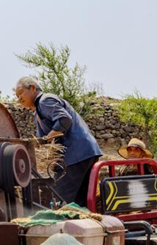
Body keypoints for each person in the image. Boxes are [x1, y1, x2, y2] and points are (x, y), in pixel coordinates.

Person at [15, 76, 102, 206]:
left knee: (59, 199)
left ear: (33, 88)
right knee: (79, 202)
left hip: (75, 155)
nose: (19, 99)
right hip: (86, 152)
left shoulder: (45, 101)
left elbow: (64, 119)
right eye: (17, 96)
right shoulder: (39, 111)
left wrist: (47, 138)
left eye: (21, 93)